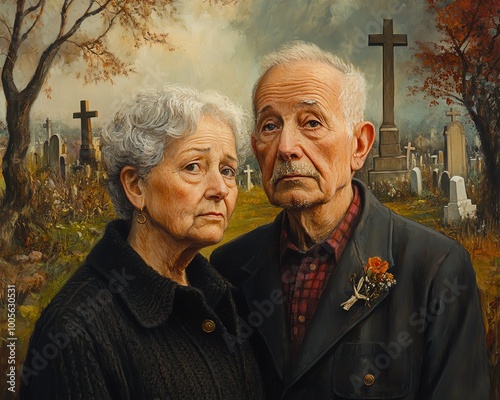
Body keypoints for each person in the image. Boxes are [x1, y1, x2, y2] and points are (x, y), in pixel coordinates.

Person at [210, 41, 490, 399]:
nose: (286, 146)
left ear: (359, 145)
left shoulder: (436, 268)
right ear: (255, 148)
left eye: (311, 122)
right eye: (269, 126)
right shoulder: (228, 267)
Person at [20, 85, 265, 399]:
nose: (221, 188)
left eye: (227, 170)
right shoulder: (75, 330)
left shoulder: (226, 296)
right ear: (136, 186)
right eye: (194, 167)